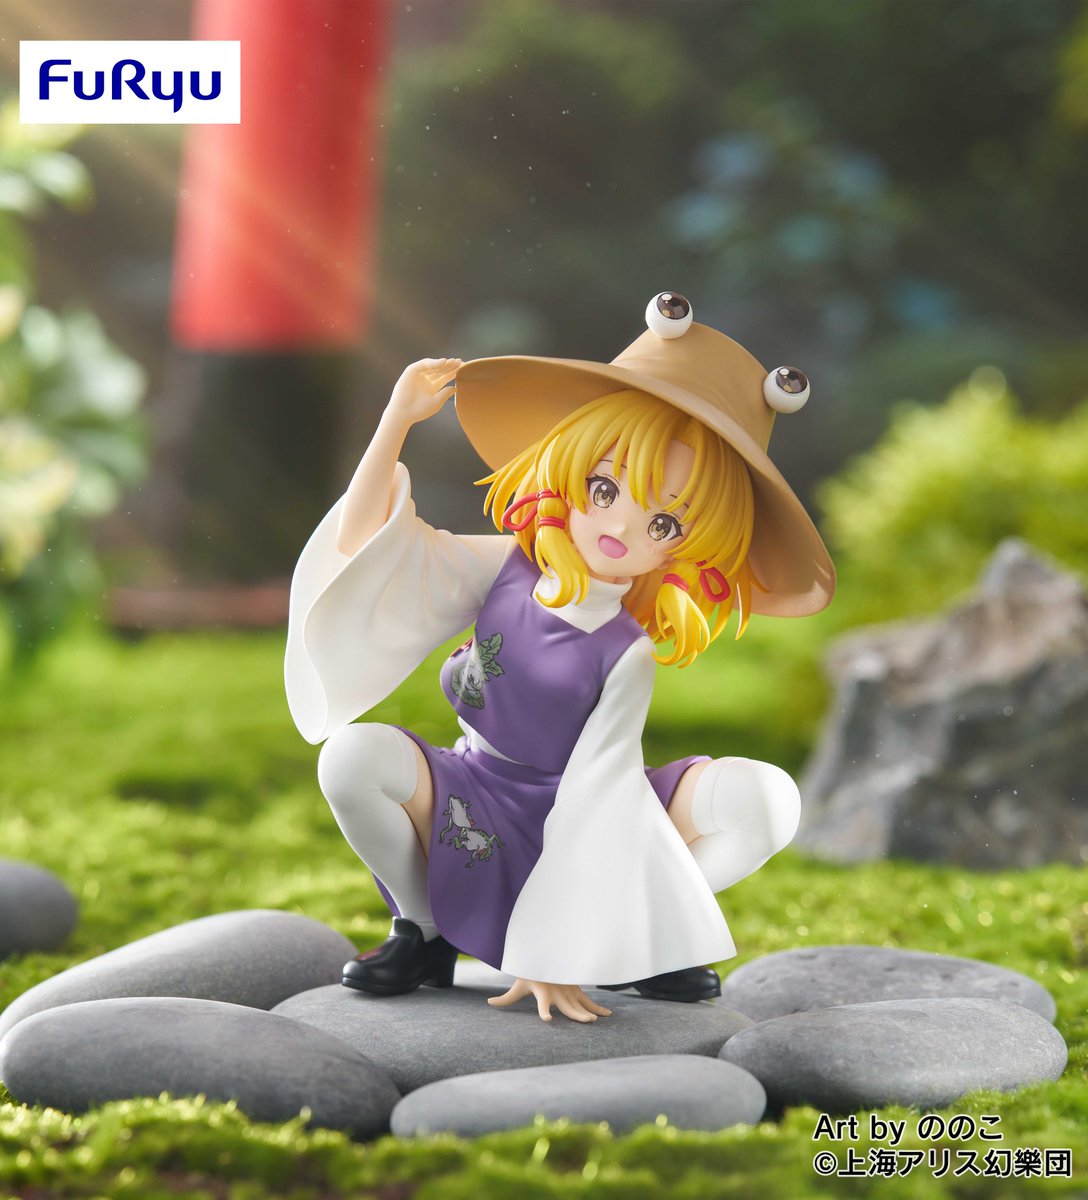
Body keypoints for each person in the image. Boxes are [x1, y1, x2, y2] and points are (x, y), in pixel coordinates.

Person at [284, 292, 835, 1023]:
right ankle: (422, 929)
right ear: (570, 471)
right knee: (352, 757)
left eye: (663, 522)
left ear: (690, 547)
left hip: (586, 815)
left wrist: (562, 950)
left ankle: (641, 941)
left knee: (767, 799)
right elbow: (364, 549)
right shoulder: (504, 567)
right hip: (474, 793)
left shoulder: (626, 652)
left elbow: (601, 791)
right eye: (604, 488)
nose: (620, 527)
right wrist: (396, 421)